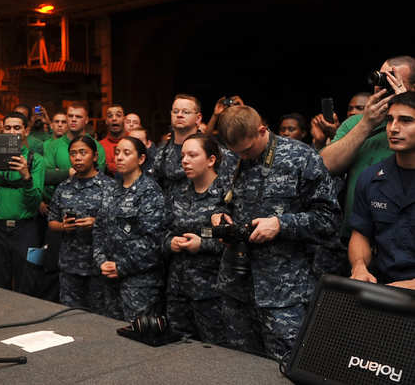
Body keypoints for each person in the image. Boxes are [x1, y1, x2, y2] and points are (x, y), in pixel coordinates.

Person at [211, 105, 339, 362]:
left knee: (287, 367)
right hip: (236, 286)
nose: (243, 157)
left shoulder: (302, 158)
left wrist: (281, 224)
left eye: (247, 150)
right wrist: (218, 215)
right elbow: (221, 200)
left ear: (262, 130)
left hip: (283, 293)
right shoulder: (233, 157)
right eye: (236, 152)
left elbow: (329, 220)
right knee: (240, 367)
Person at [320, 56, 414, 239]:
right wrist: (366, 124)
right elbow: (324, 166)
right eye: (381, 78)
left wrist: (405, 103)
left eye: (392, 79)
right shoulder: (356, 123)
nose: (381, 86)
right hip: (357, 235)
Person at [93, 136, 167, 321]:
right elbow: (99, 228)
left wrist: (122, 266)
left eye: (126, 153)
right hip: (109, 277)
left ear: (141, 159)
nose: (119, 157)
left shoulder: (150, 191)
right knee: (111, 333)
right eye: (117, 152)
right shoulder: (111, 189)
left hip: (139, 283)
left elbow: (153, 241)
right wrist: (101, 260)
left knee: (137, 340)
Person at [163, 134, 226, 344]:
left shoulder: (225, 194)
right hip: (178, 289)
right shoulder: (178, 193)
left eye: (192, 155)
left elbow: (235, 241)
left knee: (215, 352)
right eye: (182, 155)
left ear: (211, 160)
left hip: (212, 291)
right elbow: (162, 230)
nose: (185, 161)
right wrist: (169, 242)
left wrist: (203, 244)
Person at [348, 92, 415, 289]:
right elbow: (360, 233)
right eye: (390, 120)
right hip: (384, 289)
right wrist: (359, 267)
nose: (393, 128)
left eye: (406, 120)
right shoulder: (371, 177)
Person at [0, 112, 45, 290]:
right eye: (8, 128)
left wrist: (26, 176)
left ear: (26, 131)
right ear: (2, 130)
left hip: (26, 228)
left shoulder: (35, 160)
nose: (12, 132)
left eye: (17, 127)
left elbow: (34, 202)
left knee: (27, 282)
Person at [48, 136, 116, 311]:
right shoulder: (64, 187)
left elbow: (119, 225)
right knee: (70, 316)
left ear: (94, 156)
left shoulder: (109, 187)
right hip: (70, 265)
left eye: (82, 153)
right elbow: (51, 222)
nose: (77, 158)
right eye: (73, 154)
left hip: (99, 265)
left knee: (100, 316)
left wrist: (96, 223)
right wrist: (63, 226)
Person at [153, 94, 202, 196]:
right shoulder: (162, 151)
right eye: (175, 111)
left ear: (198, 118)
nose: (179, 115)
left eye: (186, 112)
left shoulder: (208, 149)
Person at [99, 104, 126, 174]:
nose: (114, 119)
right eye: (110, 116)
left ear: (124, 119)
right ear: (106, 121)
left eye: (118, 115)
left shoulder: (133, 141)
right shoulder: (100, 146)